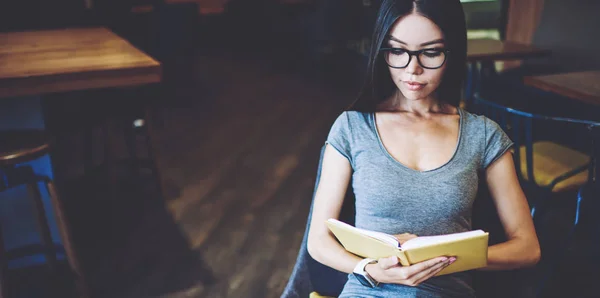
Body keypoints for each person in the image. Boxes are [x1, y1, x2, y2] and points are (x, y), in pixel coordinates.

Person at [305, 0, 541, 297]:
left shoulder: (482, 134)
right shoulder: (352, 127)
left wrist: (446, 258)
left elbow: (527, 247)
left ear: (451, 52)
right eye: (397, 51)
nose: (412, 69)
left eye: (430, 52)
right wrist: (370, 269)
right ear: (382, 50)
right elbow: (318, 241)